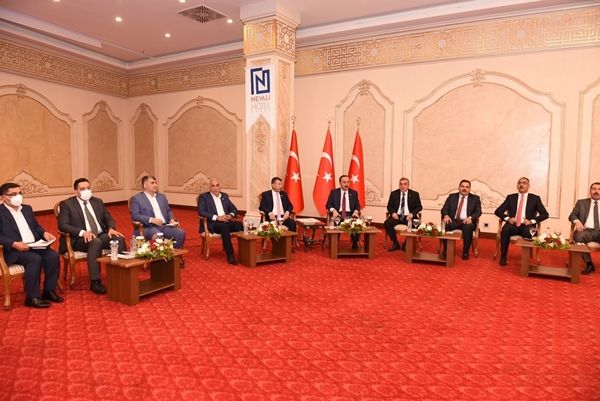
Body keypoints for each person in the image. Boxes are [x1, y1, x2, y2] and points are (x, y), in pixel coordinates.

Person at [58, 178, 126, 294]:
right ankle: (95, 282)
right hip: (79, 239)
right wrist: (82, 232)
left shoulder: (97, 201)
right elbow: (63, 225)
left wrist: (110, 228)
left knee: (118, 239)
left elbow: (108, 217)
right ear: (76, 191)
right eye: (82, 189)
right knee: (96, 242)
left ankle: (121, 275)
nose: (86, 191)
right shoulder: (67, 204)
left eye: (88, 188)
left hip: (100, 234)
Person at [0, 182, 62, 308]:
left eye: (19, 193)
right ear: (3, 197)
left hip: (33, 245)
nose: (18, 196)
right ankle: (32, 297)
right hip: (12, 250)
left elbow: (36, 226)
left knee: (53, 256)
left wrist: (44, 233)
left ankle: (48, 291)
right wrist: (14, 244)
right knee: (34, 258)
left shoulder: (27, 208)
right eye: (13, 194)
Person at [494, 177, 549, 266]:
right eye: (519, 183)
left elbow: (545, 214)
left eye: (524, 183)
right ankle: (503, 256)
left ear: (528, 186)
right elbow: (498, 211)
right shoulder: (511, 197)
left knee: (528, 232)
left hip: (527, 225)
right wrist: (508, 219)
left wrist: (531, 221)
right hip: (513, 224)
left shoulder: (535, 198)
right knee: (505, 230)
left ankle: (525, 259)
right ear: (517, 185)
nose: (521, 185)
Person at [129, 175, 186, 248]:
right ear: (145, 185)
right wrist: (151, 220)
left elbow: (168, 211)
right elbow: (135, 216)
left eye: (156, 183)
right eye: (152, 183)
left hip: (164, 226)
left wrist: (171, 219)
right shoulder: (137, 199)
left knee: (181, 233)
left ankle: (173, 253)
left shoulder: (162, 197)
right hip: (148, 227)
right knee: (158, 236)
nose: (155, 185)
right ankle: (163, 253)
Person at [198, 178, 243, 265]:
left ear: (220, 187)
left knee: (240, 225)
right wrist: (217, 217)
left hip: (226, 220)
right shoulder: (204, 197)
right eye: (213, 186)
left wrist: (230, 215)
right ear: (209, 187)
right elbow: (201, 212)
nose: (215, 188)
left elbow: (234, 209)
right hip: (213, 223)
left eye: (217, 185)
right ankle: (230, 255)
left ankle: (243, 252)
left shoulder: (224, 196)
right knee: (224, 227)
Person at [441, 179, 482, 260]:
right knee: (445, 226)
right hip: (453, 220)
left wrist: (470, 218)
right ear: (459, 187)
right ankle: (446, 249)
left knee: (468, 227)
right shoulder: (452, 197)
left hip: (466, 221)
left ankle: (465, 252)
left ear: (469, 189)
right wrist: (446, 215)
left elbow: (478, 211)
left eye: (467, 187)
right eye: (462, 186)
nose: (464, 189)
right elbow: (444, 209)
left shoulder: (475, 198)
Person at [568, 182, 600, 275]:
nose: (596, 191)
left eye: (599, 189)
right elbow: (572, 215)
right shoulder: (581, 202)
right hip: (586, 231)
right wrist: (577, 221)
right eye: (594, 189)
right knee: (579, 237)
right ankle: (589, 264)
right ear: (590, 191)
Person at [384, 177, 422, 251]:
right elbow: (389, 206)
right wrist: (393, 213)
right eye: (401, 184)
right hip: (397, 216)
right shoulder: (394, 194)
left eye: (405, 184)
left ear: (408, 185)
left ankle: (406, 244)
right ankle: (395, 243)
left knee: (416, 224)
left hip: (409, 216)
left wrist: (412, 214)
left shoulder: (415, 194)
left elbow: (419, 207)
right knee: (387, 223)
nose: (402, 186)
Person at [326, 175, 361, 248]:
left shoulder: (354, 193)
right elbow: (328, 205)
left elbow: (358, 205)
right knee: (335, 222)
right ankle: (334, 243)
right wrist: (333, 210)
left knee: (356, 223)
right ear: (340, 183)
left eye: (348, 182)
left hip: (350, 215)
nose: (346, 184)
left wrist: (355, 211)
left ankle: (355, 243)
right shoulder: (334, 192)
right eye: (344, 182)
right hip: (337, 214)